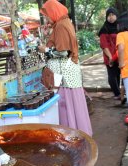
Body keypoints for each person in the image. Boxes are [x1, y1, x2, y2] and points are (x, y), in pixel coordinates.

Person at [38, 0, 92, 136]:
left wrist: (45, 50)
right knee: (73, 105)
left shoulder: (61, 25)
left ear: (53, 12)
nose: (46, 18)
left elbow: (63, 52)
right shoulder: (63, 23)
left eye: (47, 15)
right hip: (68, 72)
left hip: (65, 74)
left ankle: (71, 134)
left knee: (66, 104)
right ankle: (78, 132)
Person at [98, 8, 121, 100]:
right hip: (109, 55)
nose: (111, 17)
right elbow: (104, 45)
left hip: (120, 55)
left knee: (118, 74)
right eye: (109, 15)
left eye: (113, 15)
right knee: (112, 75)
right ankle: (117, 93)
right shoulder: (104, 28)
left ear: (116, 15)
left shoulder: (120, 26)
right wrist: (110, 57)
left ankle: (118, 91)